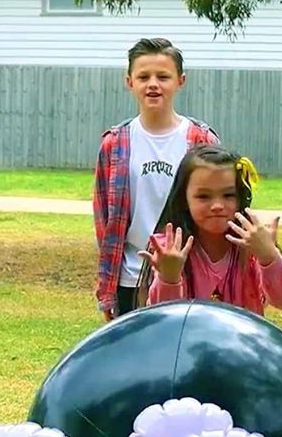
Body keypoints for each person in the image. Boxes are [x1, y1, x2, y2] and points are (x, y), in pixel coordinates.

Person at [93, 38, 220, 322]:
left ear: (180, 81)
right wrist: (107, 290)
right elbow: (104, 223)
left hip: (189, 276)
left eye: (163, 76)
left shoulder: (202, 141)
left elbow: (218, 215)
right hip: (130, 277)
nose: (153, 84)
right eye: (143, 76)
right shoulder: (114, 144)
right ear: (129, 82)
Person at [140, 144, 282, 315]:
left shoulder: (252, 246)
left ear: (241, 198)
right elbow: (162, 318)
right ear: (184, 199)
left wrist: (269, 257)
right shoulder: (170, 250)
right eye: (203, 196)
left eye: (228, 195)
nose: (217, 206)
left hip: (241, 341)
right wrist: (169, 278)